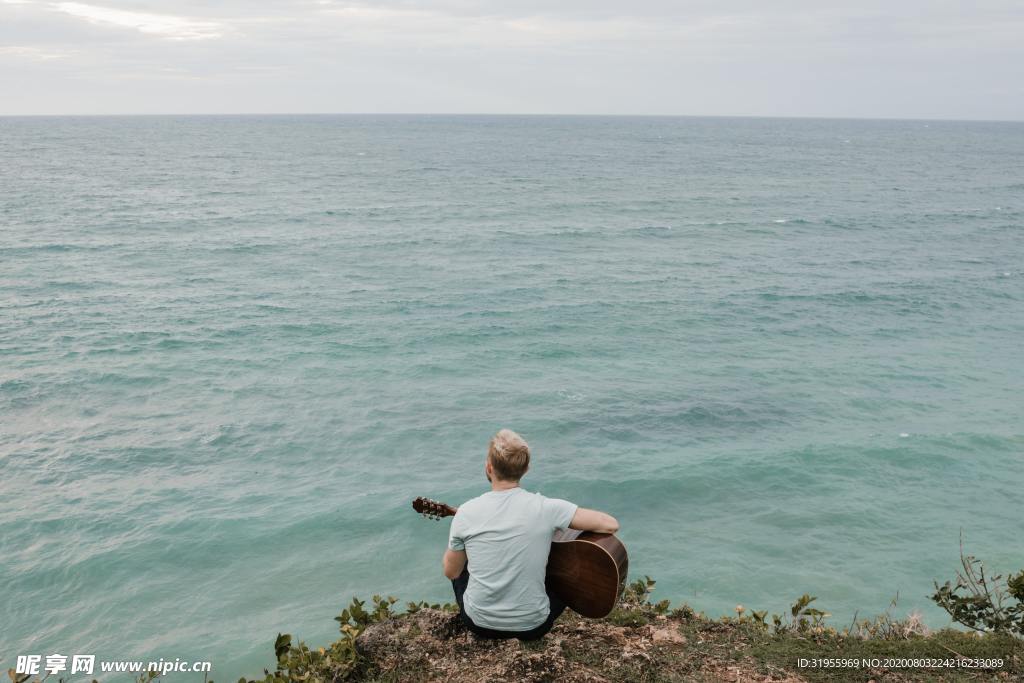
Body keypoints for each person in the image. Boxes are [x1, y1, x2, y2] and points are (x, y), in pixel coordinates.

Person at [442, 429, 620, 640]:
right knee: (562, 581)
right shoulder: (547, 508)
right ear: (526, 469)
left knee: (459, 563)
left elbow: (451, 572)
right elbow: (610, 525)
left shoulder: (466, 512)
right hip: (534, 627)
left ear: (489, 468)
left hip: (479, 624)